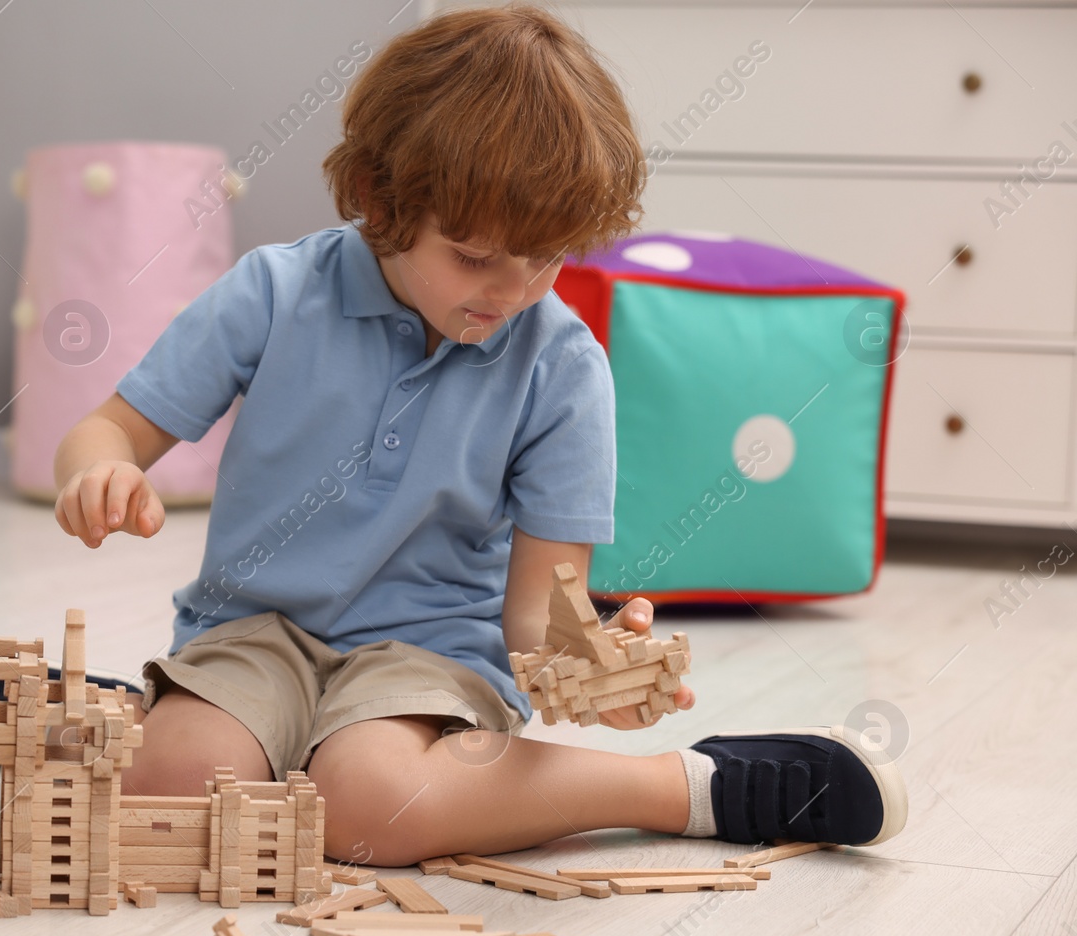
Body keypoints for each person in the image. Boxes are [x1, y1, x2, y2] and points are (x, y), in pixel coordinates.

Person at [50, 4, 906, 867]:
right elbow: (104, 432)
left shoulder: (565, 366)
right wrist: (100, 475)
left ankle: (685, 785)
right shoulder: (274, 291)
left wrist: (593, 659)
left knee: (369, 807)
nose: (512, 289)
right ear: (381, 201)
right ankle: (141, 713)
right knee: (177, 788)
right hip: (251, 629)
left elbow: (539, 612)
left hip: (430, 652)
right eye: (472, 256)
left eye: (545, 258)